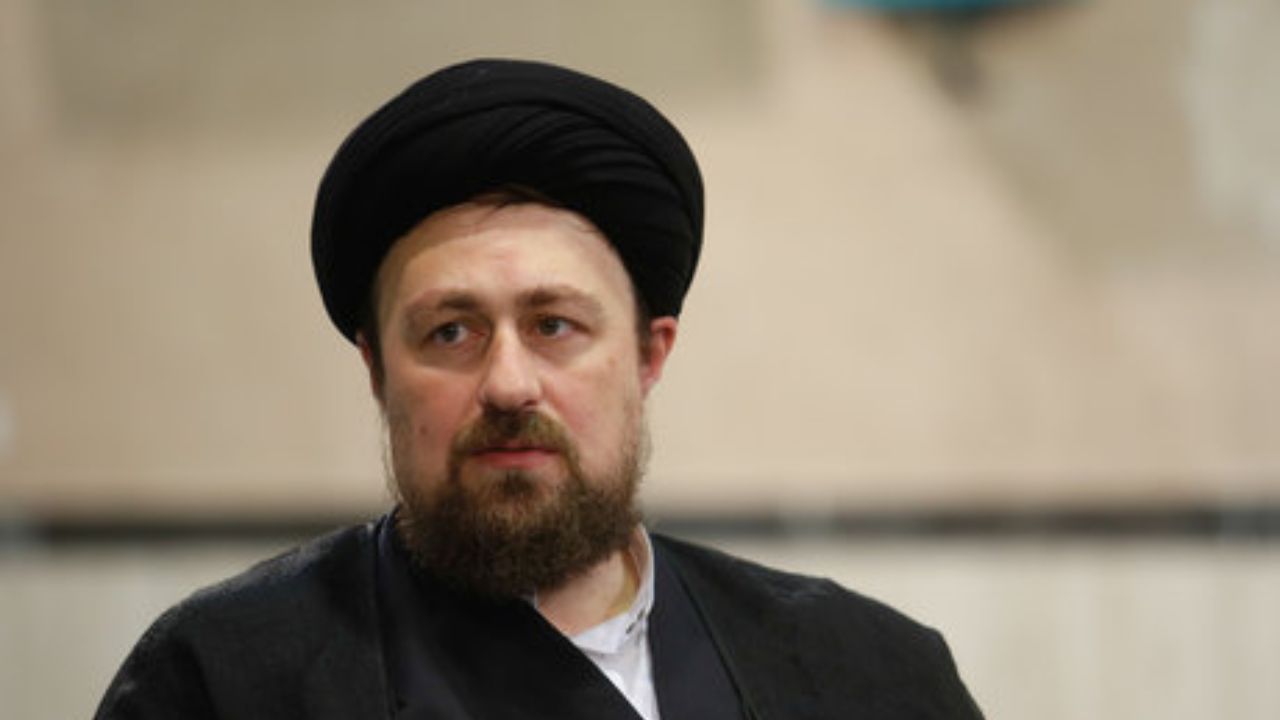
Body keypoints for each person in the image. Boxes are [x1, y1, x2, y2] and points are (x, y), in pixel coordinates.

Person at [95, 58, 984, 720]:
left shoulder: (869, 674)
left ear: (648, 356)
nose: (509, 383)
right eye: (451, 332)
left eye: (554, 325)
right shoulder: (226, 682)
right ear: (376, 370)